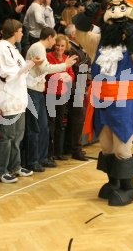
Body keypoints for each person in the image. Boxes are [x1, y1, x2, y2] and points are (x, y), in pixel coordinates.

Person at [74, 0, 133, 206]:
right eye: (111, 9)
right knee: (107, 147)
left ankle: (128, 187)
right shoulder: (98, 44)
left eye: (121, 10)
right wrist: (87, 15)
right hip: (101, 101)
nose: (114, 13)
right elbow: (79, 34)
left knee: (121, 149)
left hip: (125, 102)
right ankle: (114, 183)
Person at [0, 19, 42, 183]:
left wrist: (31, 65)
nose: (22, 34)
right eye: (20, 31)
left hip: (19, 98)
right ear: (14, 31)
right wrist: (30, 65)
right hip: (8, 98)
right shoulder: (1, 48)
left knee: (17, 136)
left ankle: (15, 166)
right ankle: (0, 170)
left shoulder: (14, 48)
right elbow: (7, 73)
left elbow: (22, 71)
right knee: (7, 137)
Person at [24, 27, 77, 172]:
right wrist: (64, 66)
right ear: (49, 37)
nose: (54, 43)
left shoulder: (39, 48)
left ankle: (41, 158)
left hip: (38, 91)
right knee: (35, 128)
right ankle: (32, 161)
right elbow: (44, 68)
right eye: (54, 39)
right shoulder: (38, 48)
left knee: (43, 127)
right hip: (32, 90)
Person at [63, 24, 91, 160]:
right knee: (77, 119)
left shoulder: (79, 48)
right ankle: (76, 149)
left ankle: (73, 147)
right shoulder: (70, 48)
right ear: (73, 35)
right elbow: (78, 67)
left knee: (78, 119)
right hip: (74, 86)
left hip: (80, 84)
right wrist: (86, 59)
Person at [45, 34, 75, 162]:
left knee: (59, 124)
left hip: (62, 94)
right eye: (57, 45)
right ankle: (49, 153)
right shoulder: (48, 56)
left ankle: (58, 152)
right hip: (50, 94)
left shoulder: (66, 58)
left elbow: (71, 74)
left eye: (62, 46)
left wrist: (67, 76)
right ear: (54, 45)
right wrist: (61, 73)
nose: (59, 48)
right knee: (50, 124)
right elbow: (48, 72)